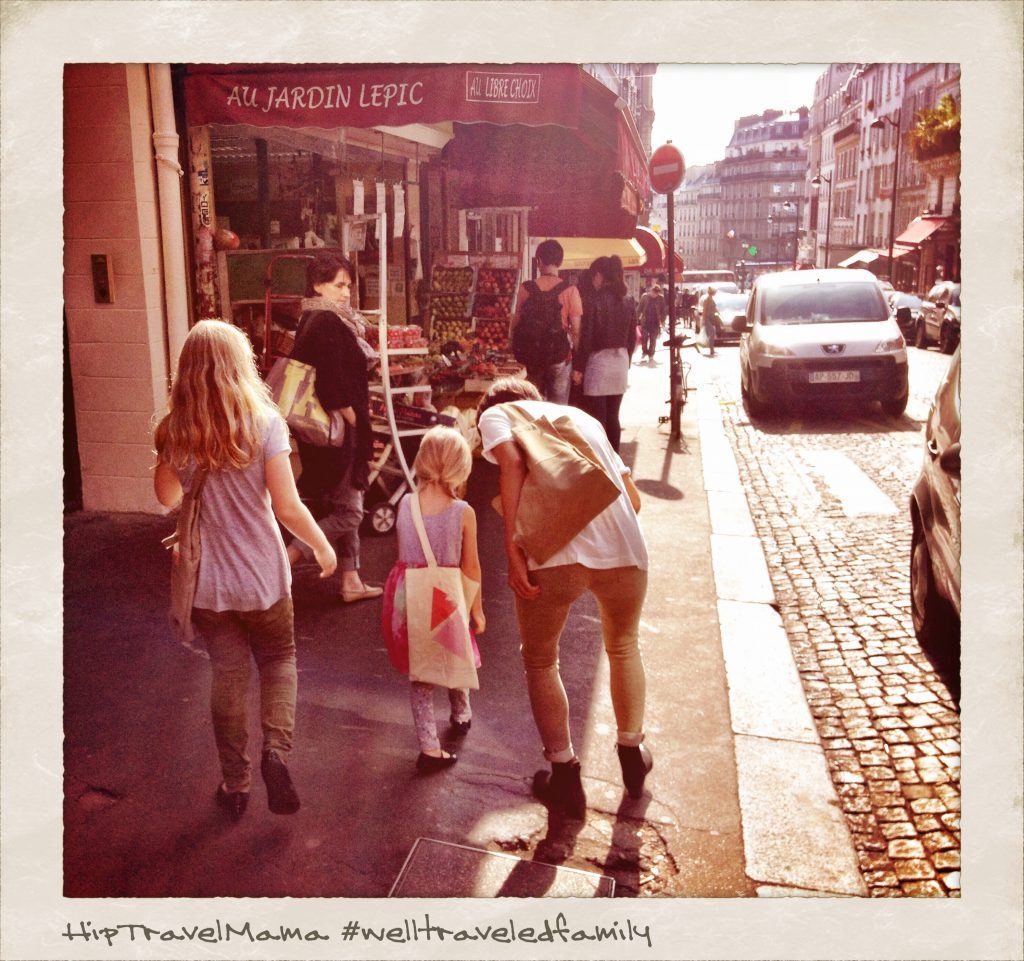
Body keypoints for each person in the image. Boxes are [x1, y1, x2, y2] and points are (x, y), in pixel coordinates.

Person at [153, 320, 338, 822]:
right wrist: (322, 547)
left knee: (228, 678)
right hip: (263, 577)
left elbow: (166, 498)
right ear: (241, 365)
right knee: (279, 659)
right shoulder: (265, 422)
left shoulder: (178, 430)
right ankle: (275, 754)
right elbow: (287, 505)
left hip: (209, 585)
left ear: (186, 372)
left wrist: (170, 447)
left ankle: (235, 785)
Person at [477, 378, 652, 819]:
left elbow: (512, 464)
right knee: (624, 646)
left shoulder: (498, 414)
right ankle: (633, 754)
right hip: (626, 548)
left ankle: (564, 775)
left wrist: (513, 549)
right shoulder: (585, 420)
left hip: (557, 556)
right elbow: (632, 498)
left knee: (540, 659)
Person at [381, 427, 486, 772]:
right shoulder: (463, 512)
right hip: (443, 594)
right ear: (461, 467)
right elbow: (471, 567)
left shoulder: (406, 503)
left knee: (422, 668)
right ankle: (459, 714)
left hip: (407, 593)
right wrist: (476, 609)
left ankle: (431, 740)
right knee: (454, 649)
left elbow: (404, 555)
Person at [285, 254, 382, 603]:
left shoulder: (312, 316)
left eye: (348, 286)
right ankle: (288, 560)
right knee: (349, 511)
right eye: (339, 285)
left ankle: (352, 579)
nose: (346, 293)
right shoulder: (326, 321)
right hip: (338, 431)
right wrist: (354, 419)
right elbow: (329, 384)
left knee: (343, 501)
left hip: (325, 432)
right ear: (317, 284)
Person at [572, 255, 636, 452]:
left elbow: (587, 338)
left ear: (599, 275)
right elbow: (632, 338)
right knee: (613, 417)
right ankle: (615, 460)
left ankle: (601, 464)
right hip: (620, 361)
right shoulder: (628, 301)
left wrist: (579, 368)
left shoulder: (593, 300)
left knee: (597, 419)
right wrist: (627, 361)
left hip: (599, 362)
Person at [510, 239, 583, 404]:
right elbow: (577, 331)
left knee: (534, 405)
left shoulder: (525, 288)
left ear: (539, 261)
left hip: (532, 356)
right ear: (560, 262)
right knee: (558, 409)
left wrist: (511, 344)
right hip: (559, 357)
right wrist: (578, 362)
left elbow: (516, 320)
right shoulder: (571, 290)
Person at [638, 284, 667, 363]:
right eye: (653, 293)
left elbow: (663, 311)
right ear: (651, 291)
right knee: (644, 338)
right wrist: (636, 318)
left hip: (655, 322)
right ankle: (644, 351)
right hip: (645, 321)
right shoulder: (644, 297)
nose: (654, 295)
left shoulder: (661, 298)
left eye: (656, 293)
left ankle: (651, 354)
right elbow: (639, 308)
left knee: (653, 339)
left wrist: (663, 320)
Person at [700, 285, 720, 357]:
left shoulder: (711, 299)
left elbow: (714, 308)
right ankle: (711, 349)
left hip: (711, 318)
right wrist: (704, 319)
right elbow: (704, 310)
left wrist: (718, 313)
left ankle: (712, 349)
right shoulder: (707, 299)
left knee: (712, 333)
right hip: (707, 318)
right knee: (712, 333)